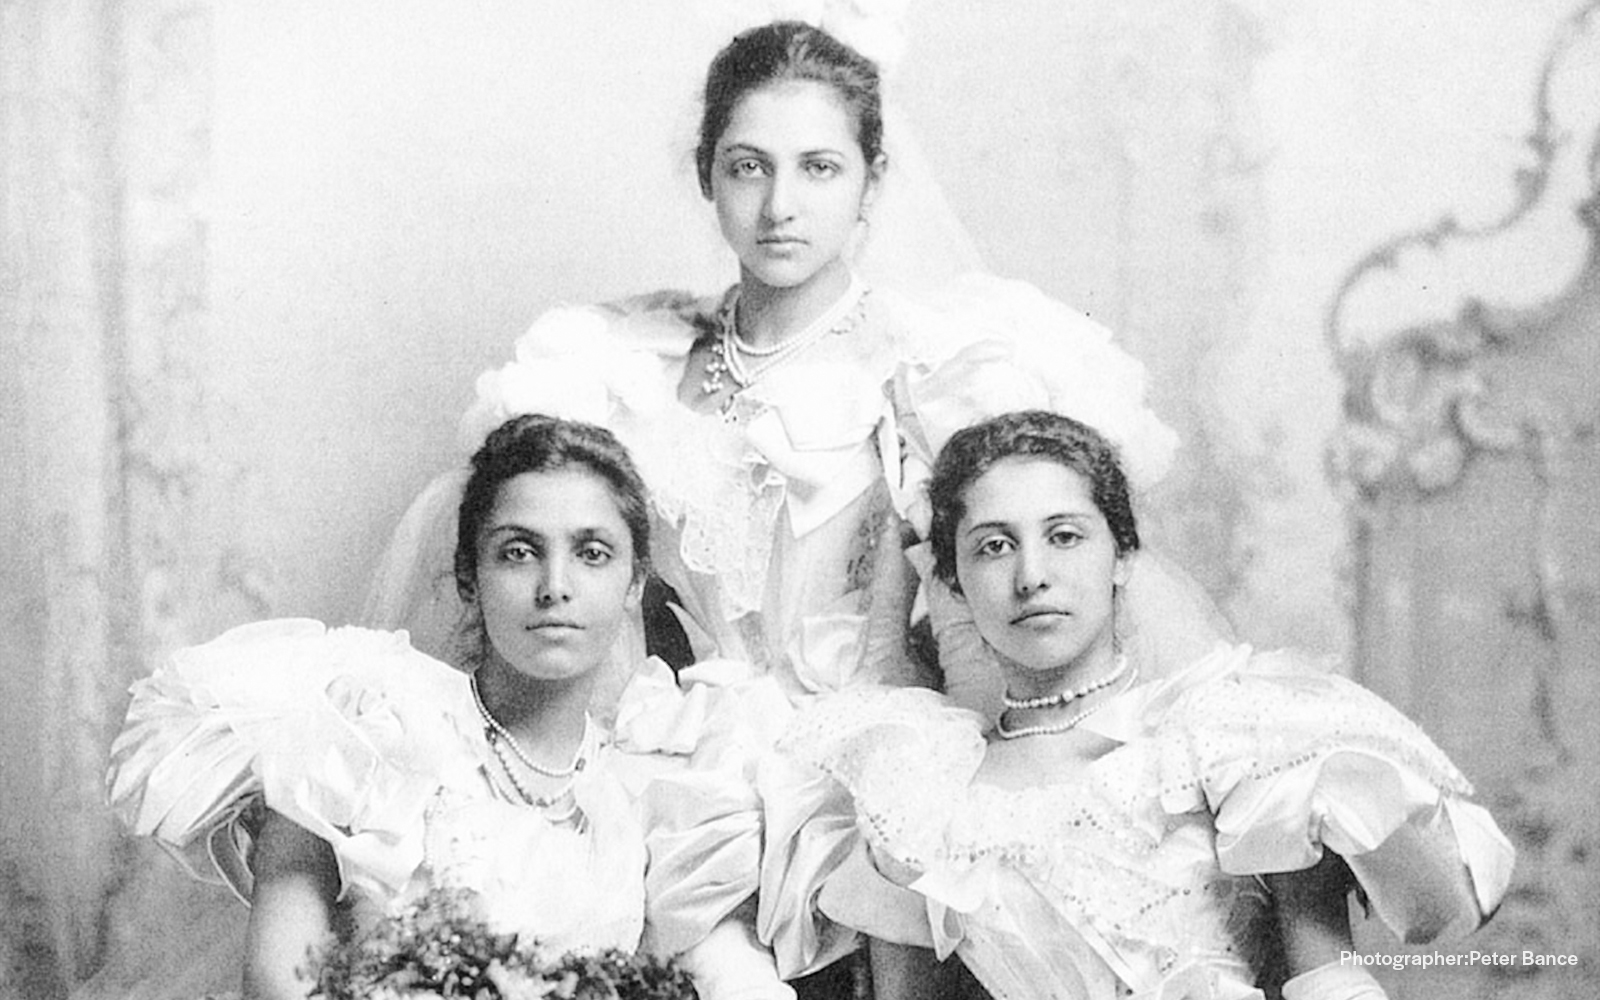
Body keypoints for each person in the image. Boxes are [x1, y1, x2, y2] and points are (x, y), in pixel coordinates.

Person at [361, 16, 1218, 991]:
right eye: (748, 168)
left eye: (818, 168)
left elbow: (1019, 600)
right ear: (707, 176)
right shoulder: (625, 370)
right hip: (676, 763)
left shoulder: (937, 374)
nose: (779, 206)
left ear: (871, 183)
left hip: (874, 764)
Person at [771, 410, 1516, 1000]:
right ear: (955, 583)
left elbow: (1327, 981)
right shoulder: (920, 794)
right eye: (994, 546)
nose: (1032, 575)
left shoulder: (1229, 738)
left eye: (1065, 536)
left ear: (1122, 556)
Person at [107, 414, 792, 1000]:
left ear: (634, 582)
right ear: (469, 575)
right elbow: (278, 981)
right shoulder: (367, 730)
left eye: (592, 553)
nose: (555, 586)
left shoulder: (654, 796)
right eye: (518, 552)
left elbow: (730, 975)